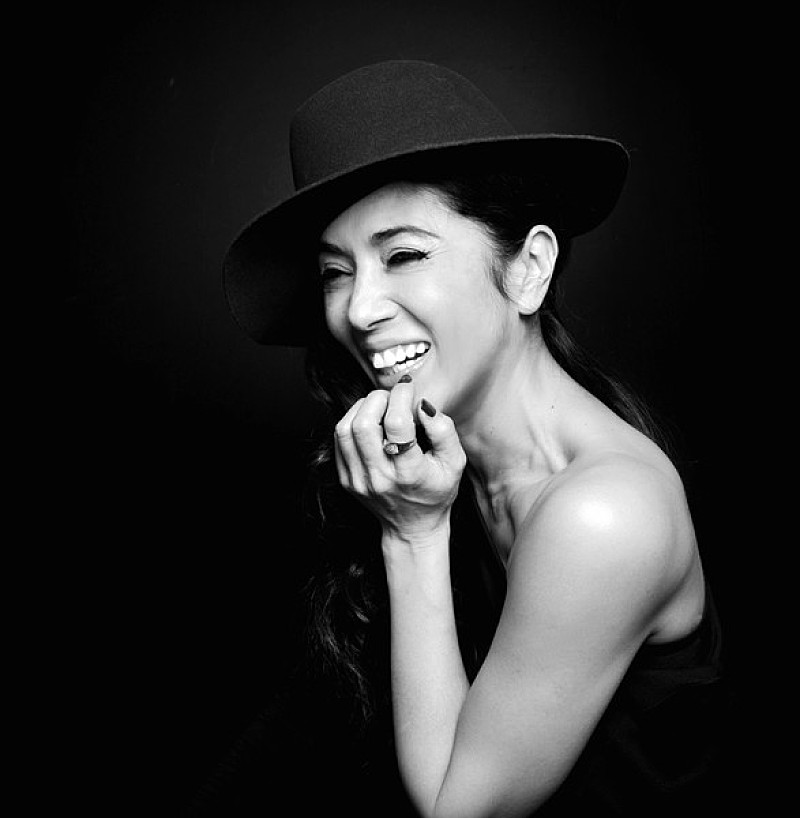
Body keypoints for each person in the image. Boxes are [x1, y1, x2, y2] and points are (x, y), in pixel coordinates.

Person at [199, 61, 728, 817]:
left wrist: (412, 535)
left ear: (528, 268)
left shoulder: (602, 514)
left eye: (404, 255)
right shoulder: (444, 465)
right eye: (335, 272)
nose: (360, 310)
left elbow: (458, 811)